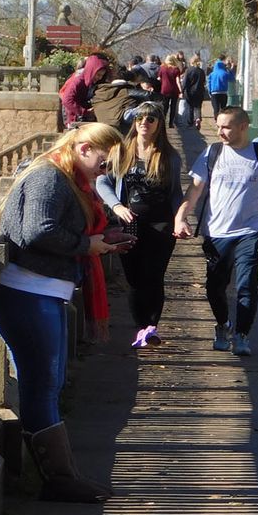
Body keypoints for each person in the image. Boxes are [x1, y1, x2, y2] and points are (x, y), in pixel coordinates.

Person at [0, 122, 126, 504]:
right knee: (43, 382)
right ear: (83, 149)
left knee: (48, 381)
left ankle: (63, 476)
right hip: (26, 291)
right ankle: (59, 479)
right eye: (104, 162)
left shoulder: (64, 177)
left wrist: (101, 242)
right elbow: (37, 230)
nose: (107, 170)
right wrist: (87, 244)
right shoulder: (50, 177)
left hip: (40, 290)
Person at [175, 106, 258, 356]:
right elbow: (194, 190)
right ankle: (223, 325)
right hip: (217, 232)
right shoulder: (211, 153)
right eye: (219, 126)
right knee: (215, 287)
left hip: (252, 230)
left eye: (226, 127)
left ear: (243, 127)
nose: (220, 132)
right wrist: (180, 216)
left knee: (247, 285)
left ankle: (242, 334)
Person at [96, 102, 183, 349]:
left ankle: (151, 326)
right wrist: (116, 206)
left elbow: (175, 192)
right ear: (134, 123)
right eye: (140, 119)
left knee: (154, 276)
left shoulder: (169, 157)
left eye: (151, 119)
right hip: (129, 223)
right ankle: (141, 326)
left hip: (160, 223)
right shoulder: (121, 152)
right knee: (133, 278)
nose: (144, 123)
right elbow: (103, 182)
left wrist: (180, 218)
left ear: (159, 124)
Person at [59, 54, 111, 126]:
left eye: (101, 76)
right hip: (72, 117)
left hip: (79, 115)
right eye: (98, 74)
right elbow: (67, 100)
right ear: (91, 70)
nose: (99, 78)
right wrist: (84, 111)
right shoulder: (77, 80)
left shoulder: (88, 81)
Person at [181, 54, 208, 129]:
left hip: (190, 92)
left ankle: (190, 122)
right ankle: (198, 118)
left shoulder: (188, 70)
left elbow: (185, 82)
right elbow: (204, 82)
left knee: (190, 107)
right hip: (199, 91)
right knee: (198, 106)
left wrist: (182, 91)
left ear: (191, 62)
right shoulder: (201, 71)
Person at [157, 53, 182, 121]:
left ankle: (163, 120)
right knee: (173, 107)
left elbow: (159, 78)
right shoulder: (176, 69)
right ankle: (171, 123)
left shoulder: (162, 68)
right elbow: (178, 81)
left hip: (164, 90)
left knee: (165, 106)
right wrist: (180, 91)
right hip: (174, 90)